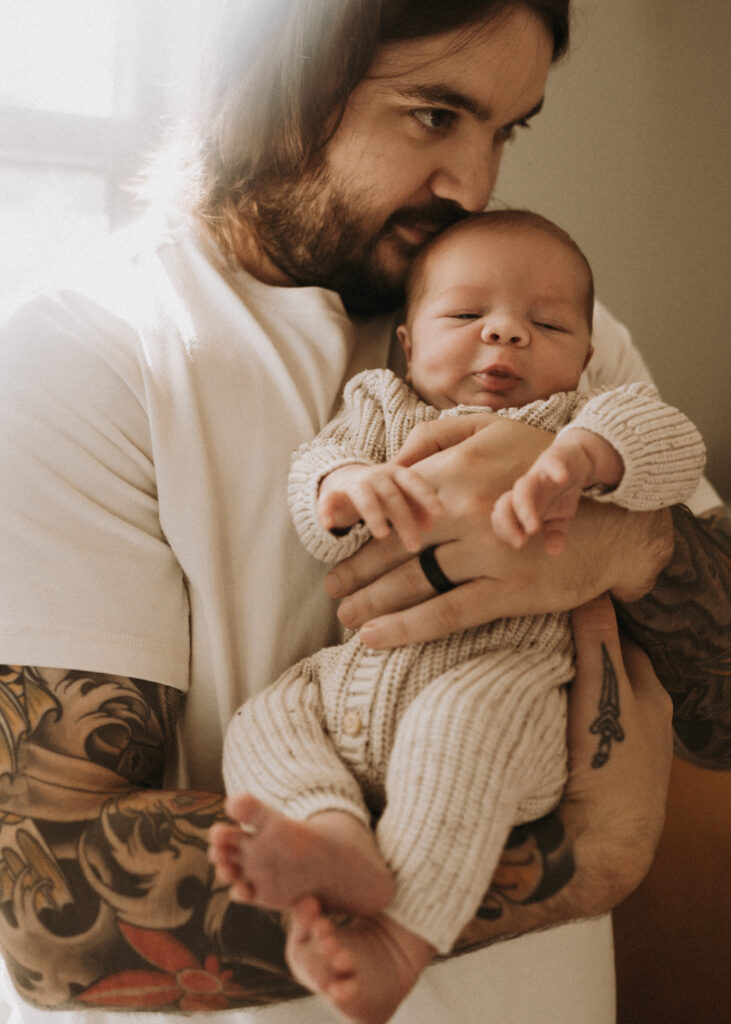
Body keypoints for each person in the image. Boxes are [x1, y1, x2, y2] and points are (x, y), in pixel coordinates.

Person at [0, 2, 727, 1023]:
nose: (473, 184)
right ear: (269, 81)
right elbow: (46, 909)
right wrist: (579, 861)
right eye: (433, 115)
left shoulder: (551, 330)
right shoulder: (83, 350)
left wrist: (628, 544)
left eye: (504, 128)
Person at [209, 210, 706, 1023]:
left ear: (584, 355)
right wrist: (342, 490)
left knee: (456, 724)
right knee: (264, 719)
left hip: (506, 688)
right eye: (466, 316)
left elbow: (670, 442)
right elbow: (315, 472)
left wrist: (584, 461)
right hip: (353, 679)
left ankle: (401, 937)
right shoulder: (375, 403)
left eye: (544, 323)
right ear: (407, 342)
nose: (504, 334)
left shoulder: (576, 417)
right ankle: (333, 835)